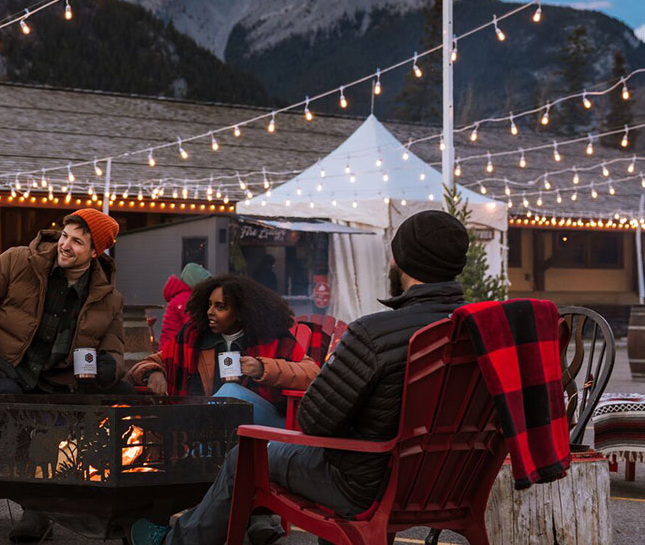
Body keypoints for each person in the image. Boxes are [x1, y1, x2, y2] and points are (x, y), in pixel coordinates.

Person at [128, 209, 470, 545]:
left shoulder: (374, 334)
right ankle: (259, 524)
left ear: (401, 261)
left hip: (362, 485)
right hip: (448, 482)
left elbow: (313, 419)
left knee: (245, 454)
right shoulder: (476, 333)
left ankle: (176, 540)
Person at [0, 208, 126, 541]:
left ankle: (130, 509)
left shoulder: (110, 298)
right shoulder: (19, 261)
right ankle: (36, 509)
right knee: (11, 407)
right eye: (64, 236)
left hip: (62, 382)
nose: (65, 245)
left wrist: (110, 366)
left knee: (126, 402)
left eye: (77, 241)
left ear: (94, 252)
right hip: (7, 372)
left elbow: (114, 352)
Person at [126, 275, 316, 428]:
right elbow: (146, 364)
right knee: (220, 404)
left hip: (263, 422)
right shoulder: (195, 337)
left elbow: (312, 373)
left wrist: (263, 368)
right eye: (209, 304)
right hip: (214, 425)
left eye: (220, 307)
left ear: (241, 312)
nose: (210, 312)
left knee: (230, 392)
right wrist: (153, 371)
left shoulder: (269, 337)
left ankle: (197, 451)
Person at [158, 262, 210, 350]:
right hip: (175, 350)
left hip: (170, 347)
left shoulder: (181, 297)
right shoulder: (185, 299)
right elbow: (192, 325)